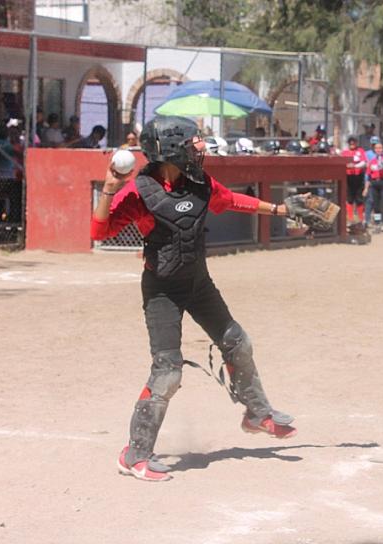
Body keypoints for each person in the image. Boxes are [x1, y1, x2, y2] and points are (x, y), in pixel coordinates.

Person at [91, 116, 297, 482]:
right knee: (168, 371)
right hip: (162, 291)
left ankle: (257, 413)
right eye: (193, 141)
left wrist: (280, 210)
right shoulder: (140, 192)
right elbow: (100, 230)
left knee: (237, 342)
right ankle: (134, 453)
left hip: (198, 283)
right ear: (171, 149)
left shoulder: (199, 183)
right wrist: (108, 189)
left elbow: (232, 200)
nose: (200, 147)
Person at [363, 142, 383, 234]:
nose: (378, 150)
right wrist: (366, 188)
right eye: (376, 148)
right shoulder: (372, 161)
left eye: (380, 148)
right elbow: (369, 176)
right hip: (374, 183)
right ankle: (377, 224)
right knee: (376, 204)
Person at [340, 136, 367, 223]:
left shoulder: (360, 151)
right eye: (350, 143)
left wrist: (354, 165)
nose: (352, 144)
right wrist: (347, 166)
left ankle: (360, 219)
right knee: (349, 198)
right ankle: (350, 218)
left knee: (359, 198)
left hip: (358, 177)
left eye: (354, 142)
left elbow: (364, 162)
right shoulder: (345, 152)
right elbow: (342, 163)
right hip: (348, 177)